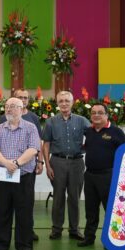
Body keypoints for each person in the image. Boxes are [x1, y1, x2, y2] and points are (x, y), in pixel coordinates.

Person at [0, 97, 41, 250]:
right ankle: (2, 244)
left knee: (24, 213)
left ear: (21, 108)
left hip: (23, 176)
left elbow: (33, 149)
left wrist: (17, 163)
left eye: (13, 106)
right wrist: (6, 163)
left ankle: (24, 247)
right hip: (3, 176)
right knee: (1, 211)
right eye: (7, 106)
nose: (9, 109)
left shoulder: (30, 127)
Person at [78, 103, 125, 247]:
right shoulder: (89, 131)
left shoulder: (116, 131)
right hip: (90, 176)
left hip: (108, 176)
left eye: (100, 112)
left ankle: (110, 240)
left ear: (106, 115)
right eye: (93, 113)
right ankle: (89, 237)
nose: (96, 115)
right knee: (91, 209)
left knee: (110, 209)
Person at [0, 88, 44, 241]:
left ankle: (27, 234)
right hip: (6, 171)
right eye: (19, 97)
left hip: (25, 170)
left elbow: (38, 143)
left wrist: (40, 161)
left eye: (25, 98)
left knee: (25, 205)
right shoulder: (3, 120)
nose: (22, 100)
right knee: (4, 206)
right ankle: (4, 240)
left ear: (27, 102)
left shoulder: (33, 119)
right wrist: (6, 163)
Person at [42, 90, 89, 241]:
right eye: (61, 101)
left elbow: (94, 136)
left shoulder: (82, 121)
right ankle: (56, 229)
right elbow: (46, 145)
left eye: (66, 101)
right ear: (57, 103)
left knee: (75, 197)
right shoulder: (50, 122)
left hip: (77, 163)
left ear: (72, 103)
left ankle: (74, 229)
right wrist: (47, 166)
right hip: (57, 162)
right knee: (58, 197)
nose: (64, 104)